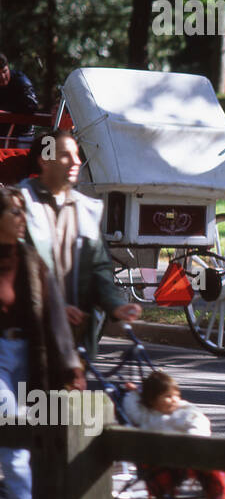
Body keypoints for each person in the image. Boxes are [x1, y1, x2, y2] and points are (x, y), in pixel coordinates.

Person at [0, 184, 84, 499]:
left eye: (23, 211)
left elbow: (52, 317)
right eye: (14, 211)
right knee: (10, 422)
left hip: (32, 355)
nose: (22, 218)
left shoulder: (32, 260)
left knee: (37, 430)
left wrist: (71, 369)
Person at [16, 130, 141, 361]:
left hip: (74, 345)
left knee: (73, 400)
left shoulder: (86, 209)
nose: (77, 161)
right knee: (32, 398)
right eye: (66, 155)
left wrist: (115, 305)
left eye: (77, 154)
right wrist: (53, 308)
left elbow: (99, 268)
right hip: (25, 344)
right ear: (45, 160)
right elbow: (15, 273)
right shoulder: (19, 206)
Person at [122, 369, 225, 499]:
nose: (174, 400)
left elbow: (199, 423)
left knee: (212, 469)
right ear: (152, 400)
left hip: (189, 452)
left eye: (176, 395)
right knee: (157, 474)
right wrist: (135, 392)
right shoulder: (147, 415)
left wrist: (192, 441)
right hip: (161, 459)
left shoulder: (184, 410)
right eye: (168, 396)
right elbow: (131, 409)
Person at [0, 54, 40, 147]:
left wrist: (5, 110)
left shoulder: (21, 81)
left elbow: (32, 106)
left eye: (5, 72)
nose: (2, 77)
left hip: (23, 134)